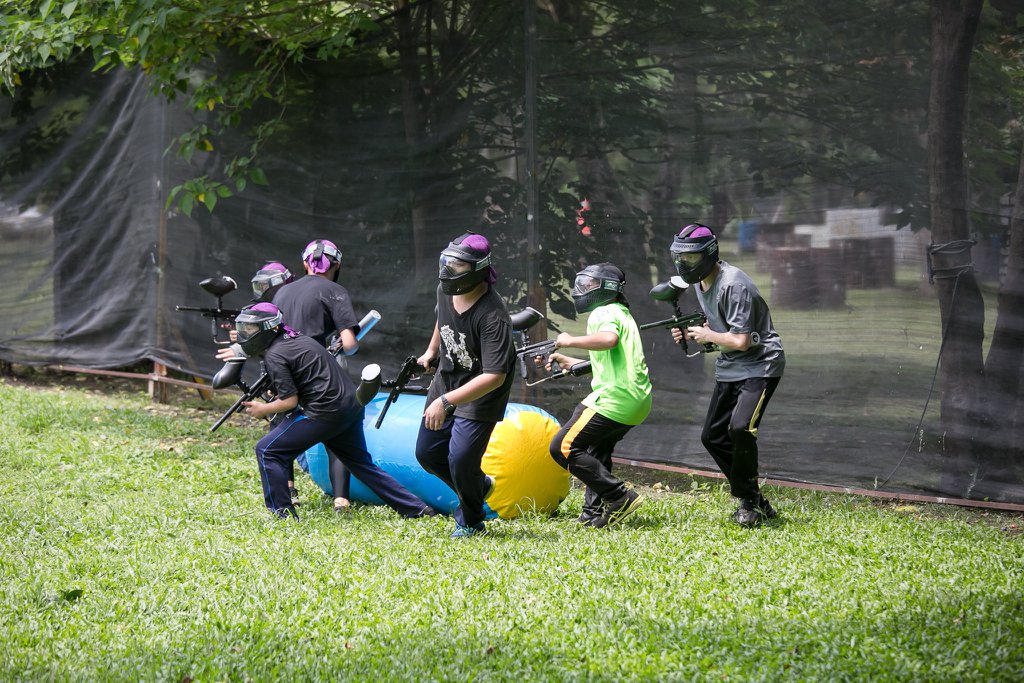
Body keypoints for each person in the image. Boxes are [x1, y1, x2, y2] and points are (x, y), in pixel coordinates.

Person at [228, 302, 433, 520]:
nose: (244, 334)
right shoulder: (299, 339)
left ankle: (283, 516)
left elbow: (289, 401)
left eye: (250, 329)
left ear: (268, 328)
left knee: (267, 450)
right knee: (361, 465)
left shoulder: (275, 354)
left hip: (324, 413)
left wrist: (263, 409)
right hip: (350, 406)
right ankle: (418, 509)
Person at [668, 224, 786, 526]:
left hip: (761, 365)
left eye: (691, 258)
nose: (684, 264)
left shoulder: (734, 283)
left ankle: (748, 502)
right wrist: (694, 334)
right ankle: (755, 499)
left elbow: (741, 340)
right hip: (731, 366)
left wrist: (707, 334)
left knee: (740, 428)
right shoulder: (701, 282)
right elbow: (720, 331)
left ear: (708, 254)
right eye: (680, 258)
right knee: (712, 437)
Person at [414, 232, 515, 538]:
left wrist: (446, 402)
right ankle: (478, 486)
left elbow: (494, 375)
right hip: (447, 378)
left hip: (481, 391)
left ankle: (471, 520)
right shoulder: (446, 289)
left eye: (457, 266)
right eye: (447, 262)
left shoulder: (493, 316)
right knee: (428, 453)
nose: (448, 270)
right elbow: (441, 320)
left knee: (460, 459)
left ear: (478, 269)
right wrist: (432, 350)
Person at [541, 263, 651, 528]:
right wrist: (572, 362)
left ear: (607, 288)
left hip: (613, 399)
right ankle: (593, 511)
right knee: (595, 449)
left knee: (563, 447)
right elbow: (612, 356)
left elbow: (608, 340)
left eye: (589, 284)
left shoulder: (603, 311)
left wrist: (567, 340)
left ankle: (619, 497)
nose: (582, 290)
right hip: (636, 401)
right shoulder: (622, 312)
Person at [270, 239, 359, 513]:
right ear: (336, 265)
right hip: (318, 373)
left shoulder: (282, 293)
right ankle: (341, 499)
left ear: (306, 263)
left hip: (281, 366)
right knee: (338, 428)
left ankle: (288, 490)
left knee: (281, 429)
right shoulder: (334, 291)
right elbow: (349, 343)